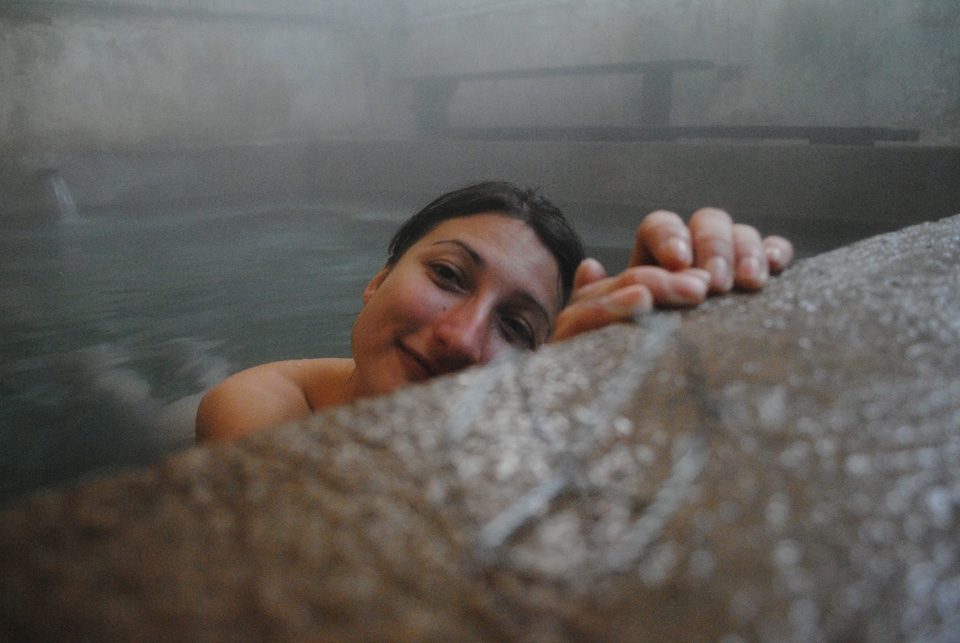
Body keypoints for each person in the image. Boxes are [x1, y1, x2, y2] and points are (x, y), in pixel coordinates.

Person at [196, 181, 793, 442]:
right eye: (449, 275)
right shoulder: (255, 407)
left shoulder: (510, 423)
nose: (461, 338)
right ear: (378, 279)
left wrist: (631, 368)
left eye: (516, 327)